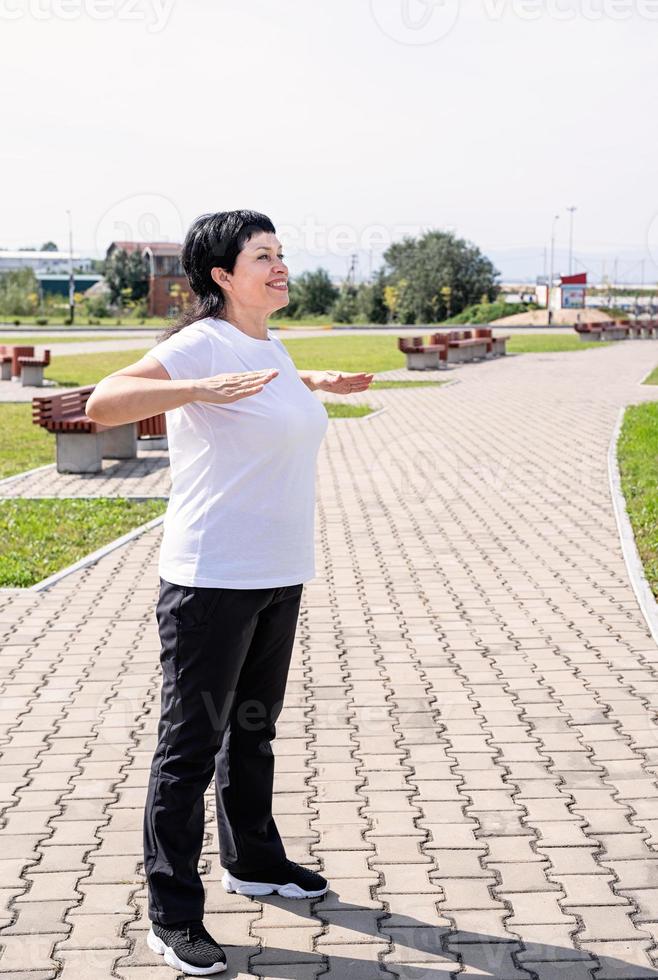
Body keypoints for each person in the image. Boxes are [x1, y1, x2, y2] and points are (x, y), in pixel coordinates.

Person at [86, 210, 374, 976]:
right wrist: (195, 386)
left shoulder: (265, 340)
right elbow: (101, 402)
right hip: (212, 579)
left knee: (253, 729)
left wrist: (313, 380)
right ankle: (171, 913)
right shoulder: (198, 343)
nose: (280, 266)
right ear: (222, 275)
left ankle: (253, 862)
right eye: (263, 256)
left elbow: (259, 393)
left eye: (281, 253)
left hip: (276, 572)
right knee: (190, 746)